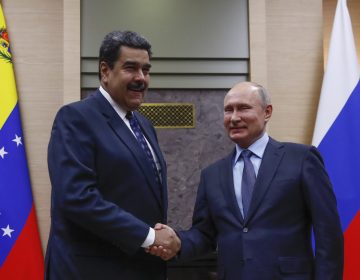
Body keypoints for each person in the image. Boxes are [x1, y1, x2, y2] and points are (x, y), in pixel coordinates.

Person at [151, 81, 344, 280]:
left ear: (267, 112)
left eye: (243, 108)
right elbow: (205, 235)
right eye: (228, 110)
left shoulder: (301, 159)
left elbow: (328, 233)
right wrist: (178, 242)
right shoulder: (212, 175)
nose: (234, 118)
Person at [45, 30, 180, 280]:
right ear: (105, 71)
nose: (141, 78)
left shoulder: (144, 125)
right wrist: (150, 237)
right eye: (131, 68)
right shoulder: (76, 118)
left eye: (146, 70)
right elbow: (77, 198)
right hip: (91, 271)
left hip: (139, 268)